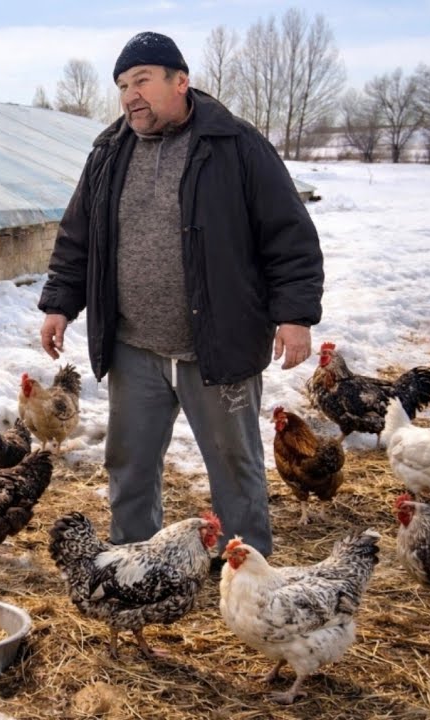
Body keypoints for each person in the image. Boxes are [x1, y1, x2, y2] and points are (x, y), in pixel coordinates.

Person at [36, 31, 324, 558]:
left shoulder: (233, 144)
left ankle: (245, 571)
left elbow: (288, 233)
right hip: (134, 345)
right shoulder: (108, 150)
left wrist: (295, 315)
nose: (130, 96)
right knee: (129, 461)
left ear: (180, 81)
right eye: (123, 85)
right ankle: (134, 563)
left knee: (234, 465)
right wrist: (59, 302)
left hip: (216, 344)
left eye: (142, 80)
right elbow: (78, 235)